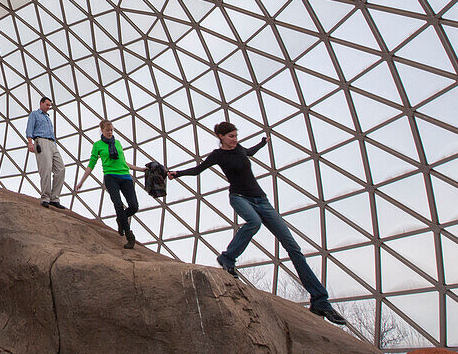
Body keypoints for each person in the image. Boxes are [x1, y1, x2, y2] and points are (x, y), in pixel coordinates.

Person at [170, 121, 347, 326]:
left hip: (261, 200)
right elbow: (198, 169)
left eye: (236, 135)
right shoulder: (218, 155)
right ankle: (227, 258)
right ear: (220, 136)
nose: (235, 140)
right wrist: (177, 173)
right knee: (253, 222)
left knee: (293, 247)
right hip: (239, 197)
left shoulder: (240, 149)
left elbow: (250, 152)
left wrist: (263, 143)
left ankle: (320, 301)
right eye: (231, 136)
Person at [74, 119, 144, 249]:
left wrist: (140, 169)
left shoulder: (117, 143)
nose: (110, 132)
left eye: (111, 130)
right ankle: (129, 236)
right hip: (111, 177)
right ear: (102, 130)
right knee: (118, 204)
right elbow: (91, 164)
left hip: (125, 176)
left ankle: (120, 219)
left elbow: (123, 162)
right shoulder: (98, 145)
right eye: (107, 130)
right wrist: (81, 181)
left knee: (134, 206)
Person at [26, 97, 64, 209]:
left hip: (52, 143)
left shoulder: (48, 118)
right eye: (47, 104)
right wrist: (30, 143)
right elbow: (29, 129)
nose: (48, 107)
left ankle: (54, 198)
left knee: (61, 169)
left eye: (49, 105)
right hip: (41, 141)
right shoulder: (34, 114)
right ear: (41, 103)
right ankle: (45, 198)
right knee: (46, 169)